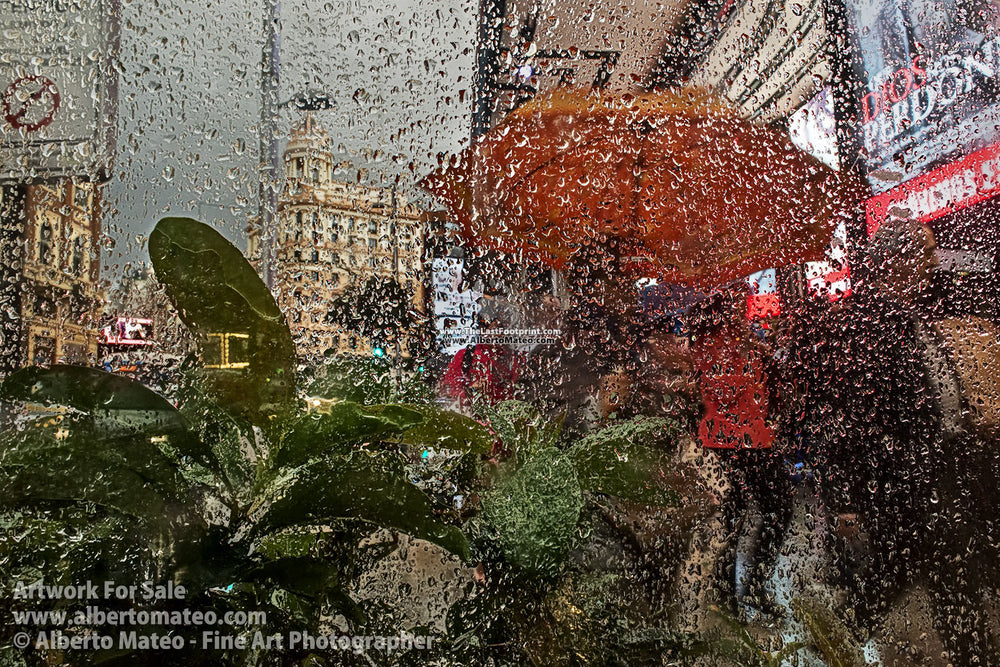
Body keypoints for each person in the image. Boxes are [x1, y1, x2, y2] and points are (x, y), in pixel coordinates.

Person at [785, 216, 1000, 662]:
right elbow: (841, 420)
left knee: (916, 574)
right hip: (905, 484)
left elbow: (930, 394)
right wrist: (844, 500)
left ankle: (838, 636)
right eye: (922, 256)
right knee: (939, 576)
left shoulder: (902, 316)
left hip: (931, 475)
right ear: (897, 261)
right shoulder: (861, 325)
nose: (928, 267)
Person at [687, 288, 792, 618]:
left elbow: (769, 387)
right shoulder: (705, 342)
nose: (740, 305)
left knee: (778, 509)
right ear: (719, 301)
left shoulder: (746, 338)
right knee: (728, 522)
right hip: (722, 445)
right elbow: (719, 391)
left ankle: (755, 584)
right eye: (733, 298)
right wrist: (745, 352)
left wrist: (762, 356)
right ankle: (723, 597)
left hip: (758, 440)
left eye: (742, 298)